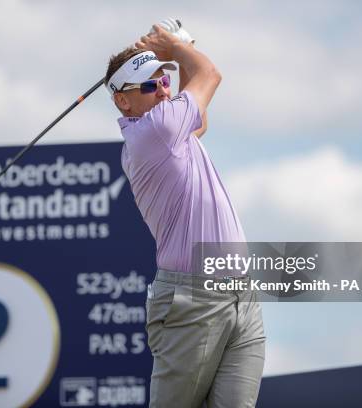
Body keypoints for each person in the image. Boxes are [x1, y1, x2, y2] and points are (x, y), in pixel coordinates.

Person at [105, 19, 266, 408]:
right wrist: (175, 50)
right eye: (150, 85)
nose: (163, 91)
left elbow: (201, 113)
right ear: (123, 101)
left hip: (242, 294)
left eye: (165, 81)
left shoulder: (169, 128)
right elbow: (210, 74)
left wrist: (179, 48)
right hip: (193, 296)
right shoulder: (153, 132)